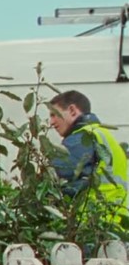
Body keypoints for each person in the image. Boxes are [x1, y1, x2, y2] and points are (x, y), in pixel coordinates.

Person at [48, 90, 128, 224]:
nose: (51, 122)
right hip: (115, 223)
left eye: (54, 115)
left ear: (72, 110)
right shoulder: (104, 136)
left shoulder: (83, 137)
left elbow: (57, 177)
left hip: (91, 224)